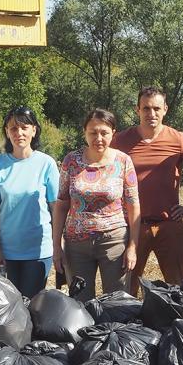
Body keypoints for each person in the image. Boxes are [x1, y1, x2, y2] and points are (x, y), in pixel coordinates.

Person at [111, 87, 183, 289]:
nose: (151, 114)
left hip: (169, 224)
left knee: (178, 289)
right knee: (125, 289)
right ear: (138, 110)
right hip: (132, 227)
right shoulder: (120, 140)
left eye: (156, 108)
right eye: (146, 108)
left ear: (165, 109)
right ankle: (127, 322)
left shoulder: (177, 139)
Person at [53, 109, 140, 299]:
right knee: (80, 302)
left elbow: (134, 206)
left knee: (116, 302)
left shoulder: (123, 161)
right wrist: (56, 246)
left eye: (104, 133)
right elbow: (61, 204)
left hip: (114, 242)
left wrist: (133, 246)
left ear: (113, 133)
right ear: (84, 132)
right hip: (76, 244)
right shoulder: (71, 161)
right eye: (93, 132)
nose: (98, 138)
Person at [0, 106, 60, 298]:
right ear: (7, 133)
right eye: (13, 129)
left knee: (31, 305)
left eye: (24, 127)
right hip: (7, 252)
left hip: (38, 250)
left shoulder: (46, 164)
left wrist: (59, 244)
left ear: (34, 130)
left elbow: (56, 208)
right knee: (8, 308)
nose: (19, 133)